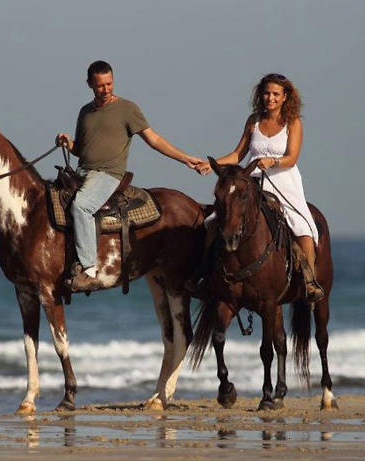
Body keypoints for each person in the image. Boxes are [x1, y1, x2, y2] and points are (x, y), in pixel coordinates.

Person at [56, 60, 203, 291]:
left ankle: (88, 270)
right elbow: (80, 150)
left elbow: (154, 140)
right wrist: (68, 143)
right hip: (83, 172)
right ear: (89, 85)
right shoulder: (85, 112)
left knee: (81, 207)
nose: (105, 89)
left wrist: (184, 158)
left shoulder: (127, 109)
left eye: (109, 84)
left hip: (108, 174)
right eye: (100, 85)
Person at [196, 73, 323, 302]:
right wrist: (211, 164)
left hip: (284, 180)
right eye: (266, 93)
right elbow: (237, 154)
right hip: (251, 178)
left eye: (275, 94)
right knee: (215, 220)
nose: (270, 98)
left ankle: (309, 281)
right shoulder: (253, 120)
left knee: (303, 225)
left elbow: (292, 158)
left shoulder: (293, 122)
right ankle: (204, 275)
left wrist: (273, 161)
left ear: (285, 97)